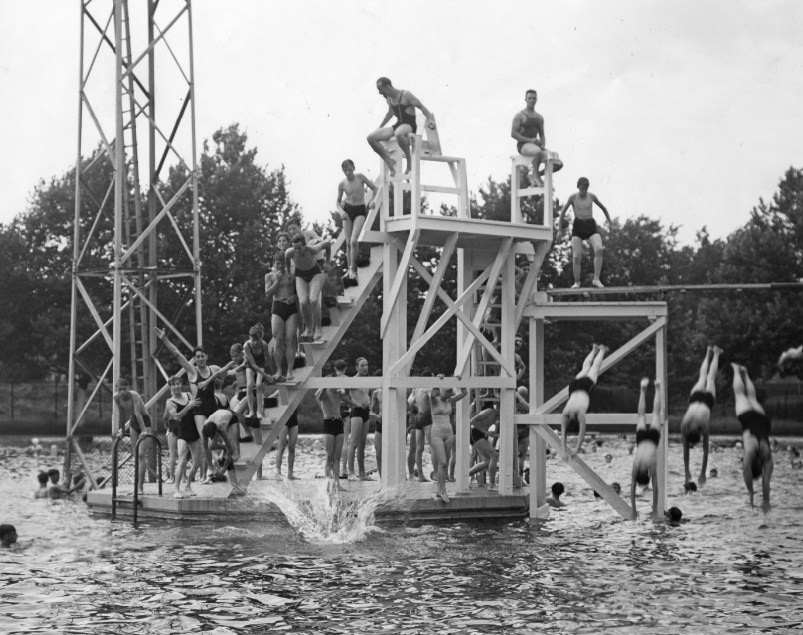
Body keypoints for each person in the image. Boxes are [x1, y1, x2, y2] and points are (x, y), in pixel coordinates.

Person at [154, 327, 235, 481]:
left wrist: (243, 363)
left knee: (213, 443)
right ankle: (210, 470)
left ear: (206, 357)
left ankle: (222, 455)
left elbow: (229, 372)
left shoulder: (213, 369)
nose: (200, 359)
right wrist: (164, 339)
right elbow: (177, 354)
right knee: (204, 437)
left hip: (212, 407)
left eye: (202, 356)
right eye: (197, 357)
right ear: (195, 359)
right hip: (198, 410)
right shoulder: (192, 371)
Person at [367, 77, 435, 177]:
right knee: (371, 138)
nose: (380, 93)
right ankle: (389, 161)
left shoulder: (405, 95)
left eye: (380, 89)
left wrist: (430, 118)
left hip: (409, 125)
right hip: (398, 125)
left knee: (398, 133)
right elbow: (390, 114)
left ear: (388, 86)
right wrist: (380, 127)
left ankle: (409, 160)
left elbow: (421, 106)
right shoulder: (389, 99)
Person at [732, 363, 773, 513]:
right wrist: (750, 493)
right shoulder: (749, 453)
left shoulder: (766, 456)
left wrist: (766, 501)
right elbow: (747, 473)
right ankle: (737, 370)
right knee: (740, 394)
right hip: (747, 419)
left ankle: (746, 373)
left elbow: (766, 480)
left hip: (763, 420)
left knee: (752, 397)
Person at [558, 177, 612, 289]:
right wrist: (559, 230)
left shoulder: (592, 197)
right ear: (578, 187)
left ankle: (596, 279)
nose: (584, 191)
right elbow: (562, 213)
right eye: (582, 189)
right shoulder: (573, 197)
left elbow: (604, 208)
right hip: (578, 226)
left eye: (586, 189)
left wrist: (610, 223)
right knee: (577, 256)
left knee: (599, 249)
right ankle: (577, 282)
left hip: (590, 225)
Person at [681, 346, 722, 489]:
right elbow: (704, 452)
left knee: (709, 378)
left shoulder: (701, 427)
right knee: (704, 377)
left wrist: (692, 473)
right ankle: (710, 352)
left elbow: (692, 454)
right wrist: (701, 473)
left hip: (707, 401)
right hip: (694, 398)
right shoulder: (686, 426)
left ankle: (714, 353)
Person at [334, 159, 377, 283]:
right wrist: (341, 211)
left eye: (350, 169)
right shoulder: (342, 184)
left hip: (359, 210)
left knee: (354, 241)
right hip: (348, 210)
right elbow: (337, 202)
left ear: (354, 168)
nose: (348, 172)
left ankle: (353, 269)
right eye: (345, 170)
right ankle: (350, 270)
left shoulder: (360, 177)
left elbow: (374, 188)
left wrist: (372, 201)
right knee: (348, 243)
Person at [561, 344, 608, 457]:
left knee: (594, 368)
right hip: (573, 387)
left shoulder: (579, 414)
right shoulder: (565, 413)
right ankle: (594, 350)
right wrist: (566, 450)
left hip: (585, 388)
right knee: (586, 368)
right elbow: (564, 435)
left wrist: (576, 449)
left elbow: (581, 433)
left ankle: (601, 350)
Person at [285, 233, 331, 343]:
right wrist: (288, 273)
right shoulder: (290, 252)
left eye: (299, 248)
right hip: (300, 275)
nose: (297, 251)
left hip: (314, 273)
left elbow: (328, 244)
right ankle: (308, 329)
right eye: (295, 248)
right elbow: (286, 258)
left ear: (305, 245)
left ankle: (318, 329)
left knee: (313, 299)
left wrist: (328, 262)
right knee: (303, 302)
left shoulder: (313, 249)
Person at [429, 378, 468, 503]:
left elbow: (465, 393)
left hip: (449, 433)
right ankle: (443, 490)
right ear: (442, 391)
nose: (449, 395)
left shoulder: (450, 401)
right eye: (447, 392)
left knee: (443, 465)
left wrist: (459, 381)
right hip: (437, 433)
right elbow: (431, 393)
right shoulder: (435, 401)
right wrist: (437, 379)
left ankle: (439, 490)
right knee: (443, 462)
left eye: (450, 393)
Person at [164, 375, 202, 498]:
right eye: (174, 384)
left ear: (181, 384)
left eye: (178, 383)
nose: (177, 386)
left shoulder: (189, 396)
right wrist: (188, 406)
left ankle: (188, 486)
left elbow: (197, 410)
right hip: (182, 433)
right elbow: (177, 417)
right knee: (182, 461)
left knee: (196, 463)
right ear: (170, 387)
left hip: (194, 432)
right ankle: (176, 489)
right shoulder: (170, 402)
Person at [113, 377, 153, 494]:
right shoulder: (116, 397)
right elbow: (121, 414)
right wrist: (122, 431)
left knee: (141, 454)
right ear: (116, 389)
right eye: (119, 389)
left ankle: (140, 487)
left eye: (124, 389)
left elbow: (138, 413)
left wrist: (144, 430)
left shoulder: (133, 395)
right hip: (133, 422)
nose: (122, 392)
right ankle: (137, 485)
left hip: (144, 421)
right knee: (136, 456)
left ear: (128, 388)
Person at [510, 89, 558, 188]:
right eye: (530, 98)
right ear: (526, 99)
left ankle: (535, 174)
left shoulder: (539, 118)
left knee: (557, 162)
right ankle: (536, 176)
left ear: (536, 100)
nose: (532, 100)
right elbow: (514, 133)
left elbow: (542, 135)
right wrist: (530, 140)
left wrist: (543, 145)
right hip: (524, 145)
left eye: (534, 98)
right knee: (537, 151)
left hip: (536, 146)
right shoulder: (520, 116)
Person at [630, 378, 662, 520]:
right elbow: (631, 490)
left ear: (647, 476)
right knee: (641, 416)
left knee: (655, 414)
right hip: (642, 439)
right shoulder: (635, 467)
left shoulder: (651, 466)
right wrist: (634, 509)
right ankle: (643, 389)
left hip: (653, 440)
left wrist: (654, 509)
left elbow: (656, 489)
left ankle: (657, 388)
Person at [265, 252, 299, 382]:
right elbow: (267, 293)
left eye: (282, 264)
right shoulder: (269, 276)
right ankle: (279, 370)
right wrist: (278, 280)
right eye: (277, 263)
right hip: (277, 306)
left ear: (286, 264)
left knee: (291, 339)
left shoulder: (291, 275)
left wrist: (294, 296)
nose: (280, 266)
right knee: (278, 340)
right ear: (273, 263)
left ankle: (290, 370)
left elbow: (299, 291)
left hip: (291, 308)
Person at [315, 371, 346, 490]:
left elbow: (344, 392)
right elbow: (319, 397)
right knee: (329, 455)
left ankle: (337, 483)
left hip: (338, 422)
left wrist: (341, 388)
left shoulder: (339, 392)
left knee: (337, 457)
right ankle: (327, 483)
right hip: (328, 422)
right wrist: (325, 384)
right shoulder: (325, 392)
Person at [343, 357, 372, 480]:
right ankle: (351, 472)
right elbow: (343, 396)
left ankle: (362, 473)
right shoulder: (353, 381)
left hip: (366, 412)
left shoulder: (369, 381)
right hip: (356, 412)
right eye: (362, 365)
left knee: (362, 444)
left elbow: (366, 395)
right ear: (356, 367)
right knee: (353, 443)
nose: (365, 368)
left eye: (366, 365)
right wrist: (355, 404)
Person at [243, 323, 274, 419]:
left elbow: (268, 359)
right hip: (251, 364)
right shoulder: (246, 346)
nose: (256, 343)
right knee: (249, 385)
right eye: (253, 340)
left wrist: (273, 373)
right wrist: (265, 375)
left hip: (260, 363)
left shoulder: (263, 344)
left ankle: (259, 411)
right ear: (249, 337)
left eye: (258, 340)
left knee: (259, 385)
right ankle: (251, 411)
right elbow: (252, 364)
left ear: (261, 337)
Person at [408, 376, 434, 482]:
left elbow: (409, 402)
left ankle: (421, 475)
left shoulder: (416, 388)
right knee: (433, 446)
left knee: (419, 448)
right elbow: (432, 402)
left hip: (418, 416)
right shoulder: (428, 388)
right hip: (427, 415)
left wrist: (416, 408)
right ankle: (437, 473)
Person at [276, 409, 299, 480]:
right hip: (283, 419)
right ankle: (278, 473)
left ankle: (290, 473)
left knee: (292, 448)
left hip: (293, 420)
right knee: (282, 447)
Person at [370, 371, 383, 478]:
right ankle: (381, 477)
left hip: (392, 423)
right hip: (380, 422)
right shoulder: (376, 393)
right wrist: (376, 416)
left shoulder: (396, 389)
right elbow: (371, 411)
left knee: (393, 453)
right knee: (379, 453)